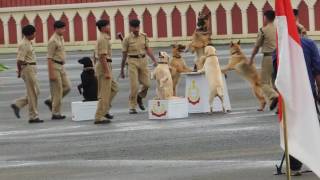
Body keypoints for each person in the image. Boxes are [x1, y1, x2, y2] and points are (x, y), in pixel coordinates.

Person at [273, 28, 320, 176]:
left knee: (292, 130)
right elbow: (318, 71)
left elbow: (276, 74)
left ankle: (294, 167)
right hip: (307, 93)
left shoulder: (280, 48)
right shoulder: (309, 44)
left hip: (289, 94)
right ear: (300, 32)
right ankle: (315, 160)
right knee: (312, 125)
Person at [120, 19, 157, 114]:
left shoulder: (143, 36)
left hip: (143, 61)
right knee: (134, 86)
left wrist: (154, 60)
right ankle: (132, 106)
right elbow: (124, 55)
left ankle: (140, 97)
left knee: (147, 84)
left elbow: (147, 49)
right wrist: (122, 70)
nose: (136, 29)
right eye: (134, 27)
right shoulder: (127, 39)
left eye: (137, 27)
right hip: (132, 61)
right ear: (131, 27)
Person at [10, 25, 43, 123]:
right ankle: (33, 116)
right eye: (34, 33)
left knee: (35, 92)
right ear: (30, 34)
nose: (35, 35)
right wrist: (19, 72)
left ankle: (18, 104)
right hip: (28, 69)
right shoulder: (24, 44)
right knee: (33, 92)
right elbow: (19, 60)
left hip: (30, 68)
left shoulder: (28, 42)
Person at [249, 10, 279, 111]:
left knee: (264, 82)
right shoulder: (278, 29)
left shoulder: (263, 30)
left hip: (268, 57)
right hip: (279, 57)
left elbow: (257, 47)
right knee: (277, 82)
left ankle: (274, 96)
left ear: (265, 18)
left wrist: (251, 58)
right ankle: (280, 107)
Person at [44, 21, 71, 120]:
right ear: (56, 29)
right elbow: (49, 58)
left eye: (64, 28)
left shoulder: (61, 38)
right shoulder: (53, 41)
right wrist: (51, 73)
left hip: (61, 66)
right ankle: (55, 113)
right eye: (62, 28)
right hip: (54, 66)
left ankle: (50, 100)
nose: (64, 30)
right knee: (57, 90)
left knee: (67, 87)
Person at [94, 19, 118, 124]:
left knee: (114, 88)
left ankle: (105, 109)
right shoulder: (103, 39)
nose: (109, 27)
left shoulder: (105, 38)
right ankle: (99, 116)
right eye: (108, 26)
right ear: (103, 28)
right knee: (104, 93)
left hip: (107, 65)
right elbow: (102, 57)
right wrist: (107, 71)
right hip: (104, 66)